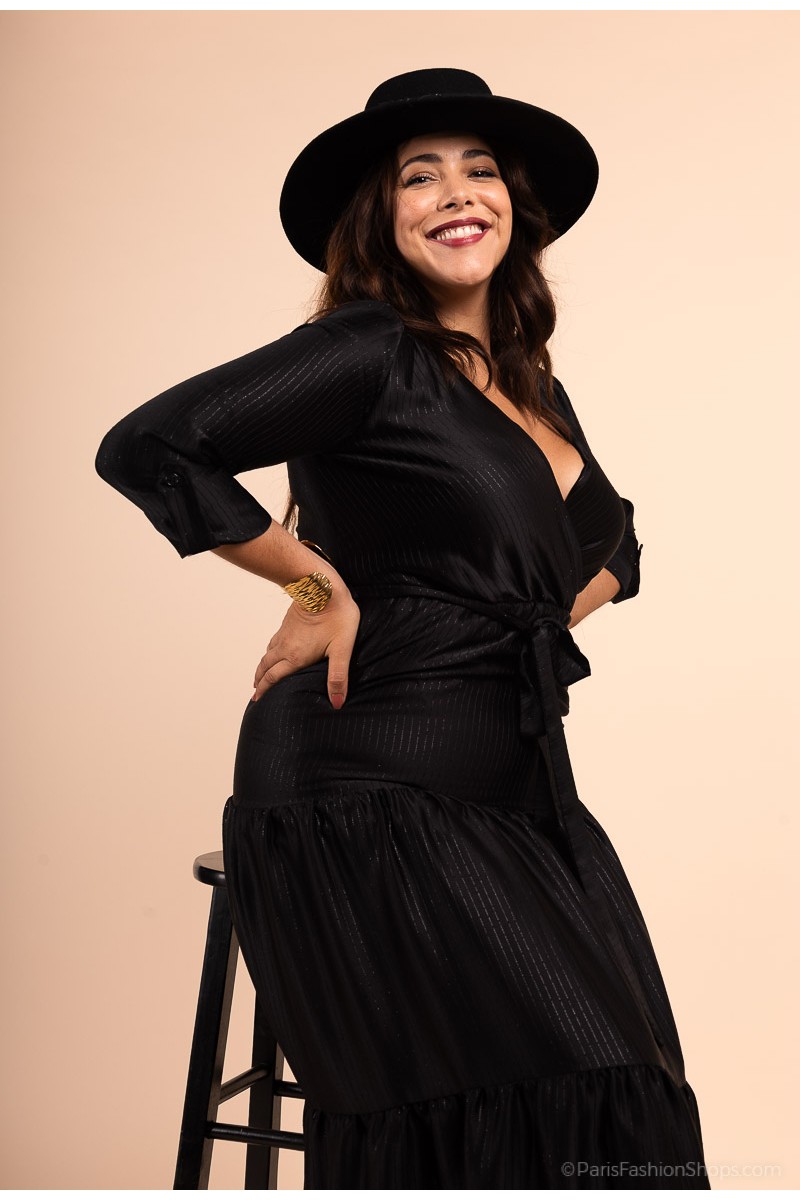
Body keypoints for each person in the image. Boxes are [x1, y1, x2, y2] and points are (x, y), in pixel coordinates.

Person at [95, 68, 710, 1189]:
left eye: (480, 170)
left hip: (517, 786)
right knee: (576, 1082)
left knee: (631, 1096)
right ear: (379, 218)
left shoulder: (529, 386)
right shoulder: (369, 349)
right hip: (362, 780)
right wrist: (315, 591)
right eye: (418, 177)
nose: (456, 192)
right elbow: (149, 445)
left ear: (514, 205)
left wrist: (524, 617)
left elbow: (616, 547)